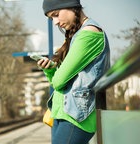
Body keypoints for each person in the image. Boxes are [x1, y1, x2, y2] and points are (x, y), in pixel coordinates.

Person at [38, 0, 111, 144]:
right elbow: (57, 81)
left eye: (56, 15)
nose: (55, 22)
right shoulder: (77, 35)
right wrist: (50, 70)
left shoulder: (89, 34)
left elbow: (59, 81)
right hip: (63, 114)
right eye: (51, 18)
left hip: (76, 118)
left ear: (71, 6)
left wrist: (55, 73)